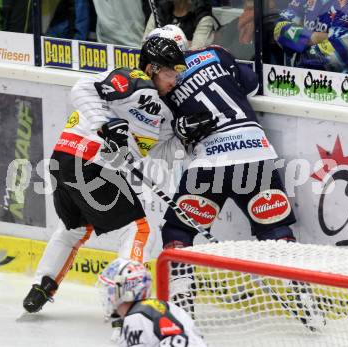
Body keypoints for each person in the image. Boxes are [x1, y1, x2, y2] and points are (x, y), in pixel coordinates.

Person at [22, 41, 187, 314]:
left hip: (63, 161)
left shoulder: (162, 111)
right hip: (89, 163)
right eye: (171, 72)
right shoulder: (135, 80)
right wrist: (106, 124)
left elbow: (161, 152)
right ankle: (130, 303)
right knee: (139, 230)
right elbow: (82, 89)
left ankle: (41, 287)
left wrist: (184, 135)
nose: (175, 80)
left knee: (74, 228)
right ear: (151, 68)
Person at [139, 35, 298, 307]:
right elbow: (251, 84)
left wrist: (179, 129)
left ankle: (181, 295)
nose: (174, 78)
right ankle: (302, 293)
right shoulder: (216, 52)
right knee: (275, 229)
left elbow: (161, 139)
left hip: (211, 163)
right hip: (256, 152)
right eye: (170, 71)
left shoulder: (152, 91)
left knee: (179, 230)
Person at [98, 257, 207, 347]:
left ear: (127, 291)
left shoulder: (136, 318)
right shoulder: (170, 307)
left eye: (111, 290)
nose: (109, 296)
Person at [274, 0, 348, 72]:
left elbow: (336, 52)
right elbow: (279, 30)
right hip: (301, 78)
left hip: (341, 83)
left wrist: (299, 44)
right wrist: (313, 37)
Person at [143, 0, 217, 49]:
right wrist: (185, 43)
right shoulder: (159, 12)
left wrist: (161, 44)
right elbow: (145, 45)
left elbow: (196, 52)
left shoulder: (202, 16)